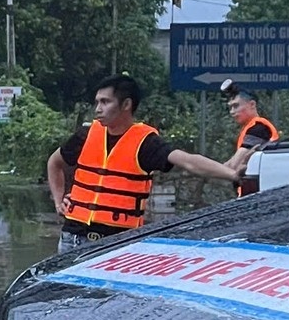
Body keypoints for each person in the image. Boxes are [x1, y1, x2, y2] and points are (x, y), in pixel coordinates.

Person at [46, 74, 241, 251]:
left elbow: (189, 161)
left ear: (126, 104)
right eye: (97, 102)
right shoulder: (86, 134)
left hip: (116, 242)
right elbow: (54, 163)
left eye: (105, 102)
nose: (98, 109)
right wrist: (58, 201)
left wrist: (232, 174)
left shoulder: (145, 142)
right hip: (72, 237)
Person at [220, 81, 281, 197]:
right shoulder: (251, 127)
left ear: (252, 104)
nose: (232, 112)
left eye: (236, 106)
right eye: (230, 107)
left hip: (257, 195)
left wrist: (206, 169)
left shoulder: (258, 128)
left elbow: (233, 166)